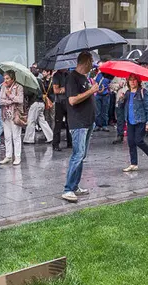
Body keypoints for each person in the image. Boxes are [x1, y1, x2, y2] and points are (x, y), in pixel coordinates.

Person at [62, 52, 98, 203]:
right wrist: (91, 91)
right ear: (86, 62)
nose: (93, 65)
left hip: (88, 122)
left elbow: (86, 96)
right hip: (78, 123)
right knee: (77, 155)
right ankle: (68, 189)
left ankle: (75, 186)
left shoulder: (84, 78)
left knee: (81, 155)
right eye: (91, 61)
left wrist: (93, 90)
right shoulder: (72, 78)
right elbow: (72, 100)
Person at [120, 74, 148, 172]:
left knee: (138, 140)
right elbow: (122, 106)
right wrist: (121, 99)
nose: (132, 82)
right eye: (130, 80)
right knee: (131, 142)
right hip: (130, 120)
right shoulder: (127, 93)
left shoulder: (143, 92)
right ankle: (133, 163)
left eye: (134, 80)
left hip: (141, 120)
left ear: (138, 81)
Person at [0, 70, 24, 165]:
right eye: (4, 78)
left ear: (12, 79)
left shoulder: (19, 87)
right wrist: (9, 101)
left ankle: (17, 157)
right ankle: (8, 156)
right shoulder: (3, 87)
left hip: (15, 114)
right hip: (5, 114)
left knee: (16, 136)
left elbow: (20, 100)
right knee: (7, 137)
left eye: (7, 78)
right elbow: (0, 100)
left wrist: (10, 95)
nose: (5, 80)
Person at [23, 75, 54, 145]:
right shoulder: (39, 81)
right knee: (42, 121)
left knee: (31, 121)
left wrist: (24, 90)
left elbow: (29, 93)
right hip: (41, 102)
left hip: (35, 103)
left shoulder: (30, 82)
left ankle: (29, 139)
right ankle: (51, 137)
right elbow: (43, 91)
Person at [51, 69, 72, 151]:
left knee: (69, 123)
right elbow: (55, 90)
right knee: (58, 123)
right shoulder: (56, 75)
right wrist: (63, 89)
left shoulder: (69, 74)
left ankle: (70, 142)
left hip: (68, 100)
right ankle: (55, 144)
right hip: (59, 102)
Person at [112, 77, 127, 144]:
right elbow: (111, 85)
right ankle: (120, 135)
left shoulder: (133, 75)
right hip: (119, 100)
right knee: (120, 119)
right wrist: (119, 85)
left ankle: (134, 135)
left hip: (131, 100)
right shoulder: (117, 76)